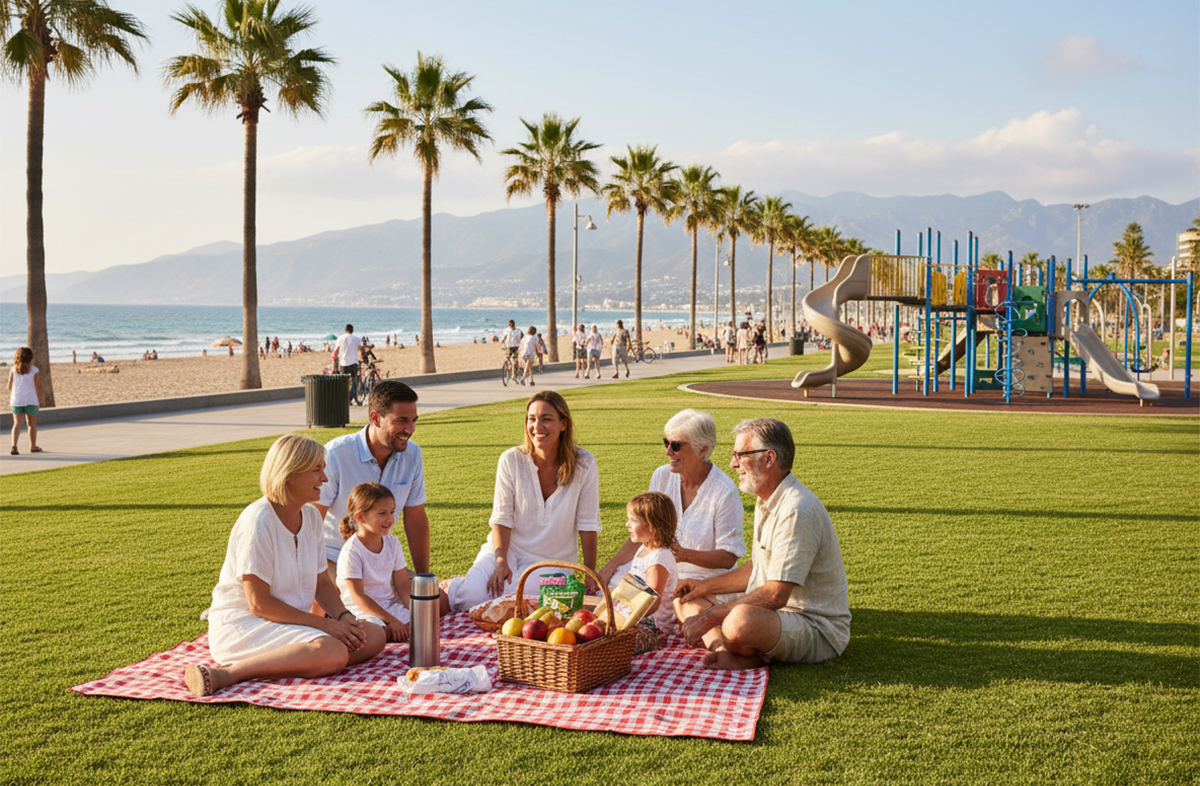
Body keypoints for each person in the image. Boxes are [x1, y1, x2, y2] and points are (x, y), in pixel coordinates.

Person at [184, 434, 386, 697]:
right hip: (246, 626)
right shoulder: (258, 521)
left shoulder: (312, 516)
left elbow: (322, 583)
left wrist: (344, 618)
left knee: (374, 635)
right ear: (290, 474)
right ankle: (227, 674)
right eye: (316, 470)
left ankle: (310, 657)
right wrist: (324, 627)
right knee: (334, 651)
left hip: (292, 624)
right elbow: (259, 604)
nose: (324, 479)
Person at [674, 418, 850, 670]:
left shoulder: (796, 510)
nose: (733, 463)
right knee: (686, 599)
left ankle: (739, 648)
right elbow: (757, 567)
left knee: (739, 621)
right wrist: (703, 587)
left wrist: (708, 617)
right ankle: (724, 649)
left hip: (815, 626)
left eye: (740, 455)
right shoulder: (767, 498)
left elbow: (776, 594)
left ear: (769, 459)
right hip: (773, 615)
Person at [445, 390, 601, 612]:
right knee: (473, 597)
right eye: (532, 419)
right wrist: (501, 562)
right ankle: (455, 586)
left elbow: (588, 524)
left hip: (555, 567)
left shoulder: (585, 464)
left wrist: (589, 571)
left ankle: (471, 584)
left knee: (521, 598)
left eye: (547, 419)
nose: (537, 427)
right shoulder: (511, 460)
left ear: (563, 424)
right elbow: (501, 517)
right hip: (507, 551)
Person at [599, 408, 744, 590]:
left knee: (672, 605)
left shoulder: (724, 491)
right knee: (610, 588)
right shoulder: (662, 476)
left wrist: (684, 555)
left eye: (676, 446)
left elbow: (729, 557)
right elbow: (644, 527)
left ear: (702, 450)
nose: (668, 452)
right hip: (657, 570)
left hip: (701, 580)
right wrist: (610, 567)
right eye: (666, 442)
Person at [315, 381, 431, 585]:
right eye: (401, 420)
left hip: (380, 561)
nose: (410, 429)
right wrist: (312, 577)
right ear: (376, 418)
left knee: (434, 602)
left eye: (414, 421)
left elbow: (415, 519)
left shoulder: (412, 454)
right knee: (367, 608)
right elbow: (312, 519)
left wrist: (424, 579)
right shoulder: (335, 455)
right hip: (334, 559)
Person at [336, 482, 412, 643]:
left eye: (392, 511)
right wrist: (391, 621)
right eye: (382, 513)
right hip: (361, 611)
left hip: (389, 605)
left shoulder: (393, 543)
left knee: (420, 623)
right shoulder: (352, 551)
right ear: (360, 517)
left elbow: (403, 585)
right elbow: (358, 597)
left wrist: (415, 613)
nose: (390, 518)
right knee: (378, 633)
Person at [614, 491, 679, 654]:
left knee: (616, 643)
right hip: (637, 618)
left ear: (653, 527)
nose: (627, 524)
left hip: (653, 627)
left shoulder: (658, 560)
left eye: (633, 520)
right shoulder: (645, 548)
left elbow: (652, 601)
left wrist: (628, 619)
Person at [9, 347, 44, 455]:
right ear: (30, 357)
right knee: (31, 424)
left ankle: (14, 446)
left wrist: (17, 393)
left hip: (17, 400)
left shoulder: (13, 369)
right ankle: (33, 446)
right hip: (31, 400)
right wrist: (41, 398)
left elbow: (9, 386)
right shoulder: (34, 370)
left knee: (17, 423)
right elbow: (38, 386)